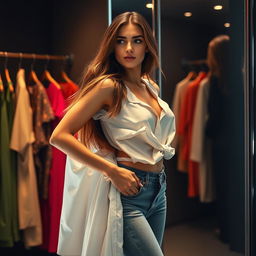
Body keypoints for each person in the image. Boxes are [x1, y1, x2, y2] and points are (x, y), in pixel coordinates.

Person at [50, 12, 175, 256]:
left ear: (147, 46)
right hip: (130, 191)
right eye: (121, 41)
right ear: (112, 46)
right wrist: (112, 171)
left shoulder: (151, 85)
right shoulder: (109, 87)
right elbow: (59, 135)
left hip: (159, 189)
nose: (129, 48)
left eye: (137, 40)